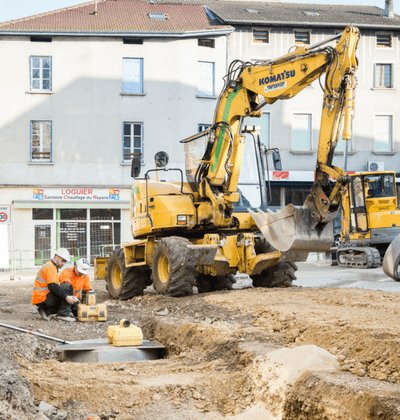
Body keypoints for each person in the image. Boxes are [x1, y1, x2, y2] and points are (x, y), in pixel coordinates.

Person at [32, 248, 79, 322]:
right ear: (56, 257)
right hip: (43, 298)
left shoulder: (51, 266)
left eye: (65, 262)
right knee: (68, 287)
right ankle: (63, 315)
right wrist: (66, 297)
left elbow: (55, 287)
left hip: (41, 298)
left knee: (64, 296)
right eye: (62, 261)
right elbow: (53, 286)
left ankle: (46, 312)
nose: (63, 264)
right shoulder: (50, 267)